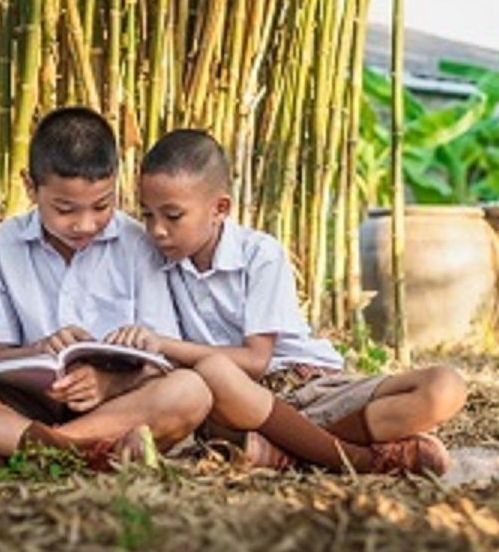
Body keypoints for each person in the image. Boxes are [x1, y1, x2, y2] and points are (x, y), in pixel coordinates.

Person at [108, 129, 467, 474]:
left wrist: (162, 343)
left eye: (172, 216)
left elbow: (255, 361)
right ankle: (358, 460)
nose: (156, 230)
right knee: (210, 375)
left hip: (310, 388)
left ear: (220, 208)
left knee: (444, 387)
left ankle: (284, 451)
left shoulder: (259, 255)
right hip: (232, 404)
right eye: (147, 214)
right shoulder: (155, 259)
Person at [0, 107, 212, 472]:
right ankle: (85, 452)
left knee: (190, 390)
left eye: (102, 205)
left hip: (115, 403)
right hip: (23, 404)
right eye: (65, 209)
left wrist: (108, 383)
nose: (85, 224)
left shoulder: (138, 243)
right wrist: (39, 350)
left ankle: (19, 450)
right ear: (31, 187)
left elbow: (160, 362)